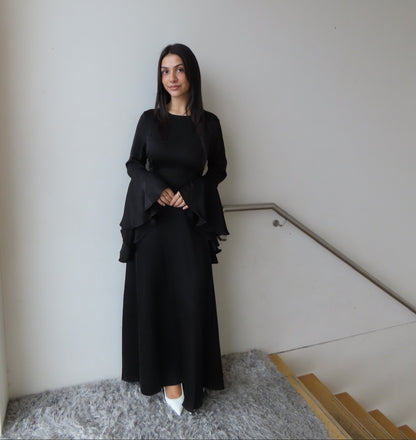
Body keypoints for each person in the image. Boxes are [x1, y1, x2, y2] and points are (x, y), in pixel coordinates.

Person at [118, 43, 229, 415]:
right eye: (165, 71)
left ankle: (192, 376)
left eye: (179, 69)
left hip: (189, 221)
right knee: (156, 299)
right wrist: (156, 188)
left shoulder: (209, 123)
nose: (172, 78)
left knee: (190, 298)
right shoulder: (149, 120)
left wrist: (191, 193)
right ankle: (167, 377)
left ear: (191, 73)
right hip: (151, 220)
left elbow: (218, 170)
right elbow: (134, 164)